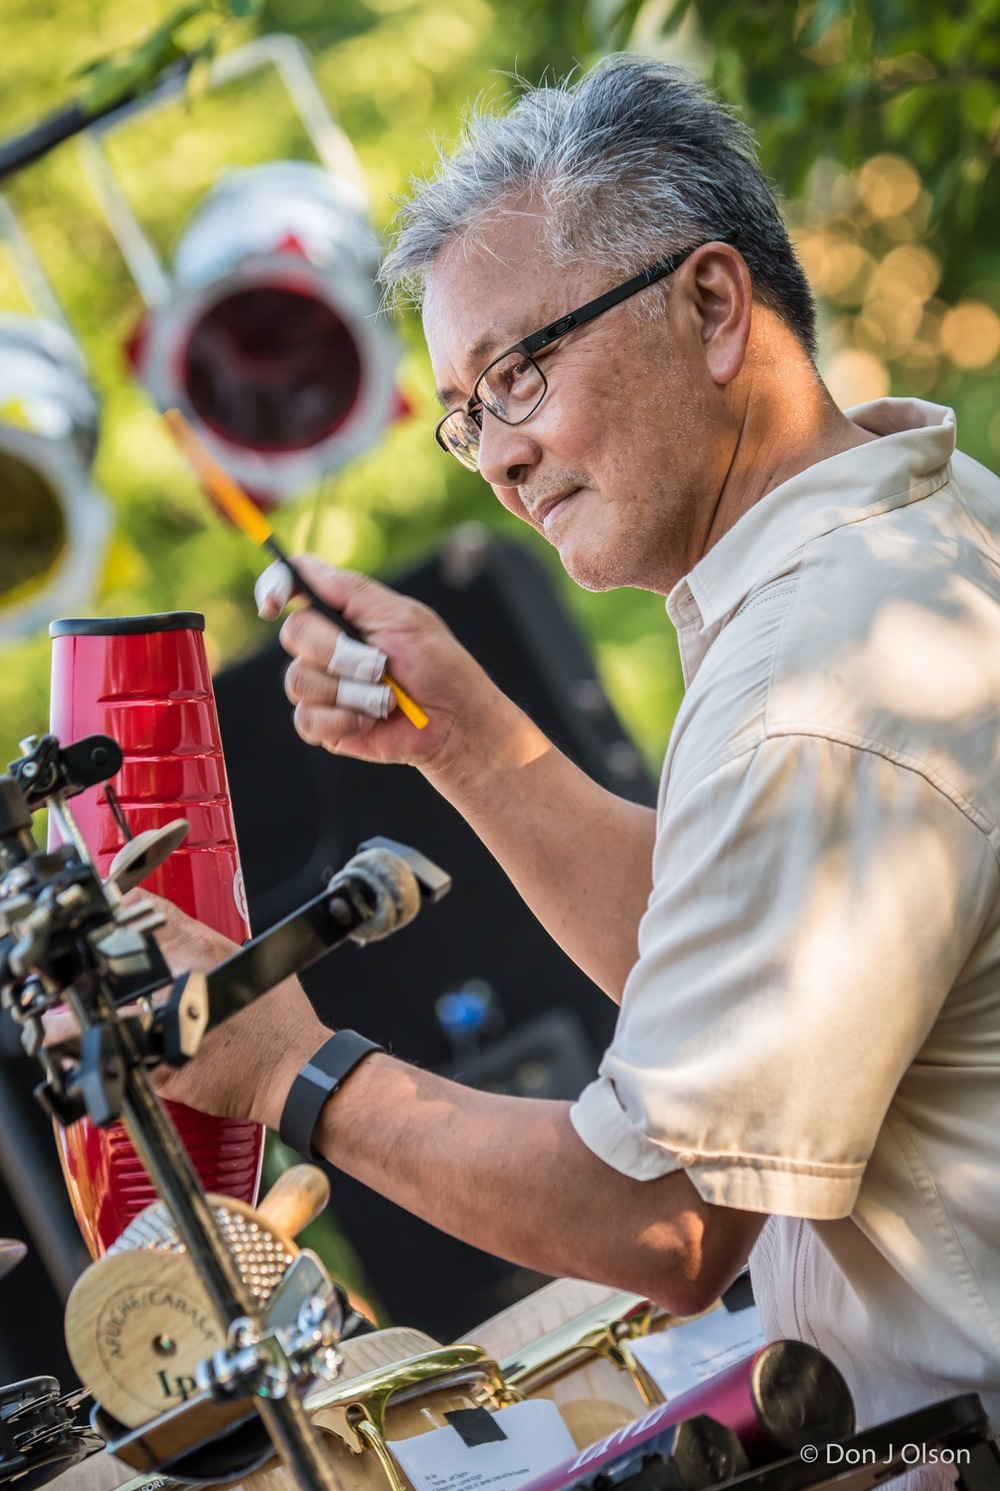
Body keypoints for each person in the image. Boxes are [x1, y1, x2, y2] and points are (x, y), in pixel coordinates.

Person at [145, 54, 1000, 1438]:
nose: (495, 457)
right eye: (465, 416)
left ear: (714, 307)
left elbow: (664, 1221)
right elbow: (735, 963)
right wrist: (467, 740)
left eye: (520, 375)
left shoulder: (817, 677)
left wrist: (288, 1070)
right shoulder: (916, 521)